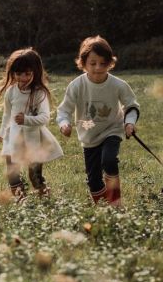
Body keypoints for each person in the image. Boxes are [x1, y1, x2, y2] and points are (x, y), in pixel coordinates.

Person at [57, 35, 139, 207]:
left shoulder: (118, 85)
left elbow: (131, 105)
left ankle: (116, 204)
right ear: (83, 63)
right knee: (94, 181)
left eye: (103, 63)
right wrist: (64, 124)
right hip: (89, 137)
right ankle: (105, 208)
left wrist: (129, 123)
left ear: (110, 63)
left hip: (112, 129)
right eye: (92, 63)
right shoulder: (76, 85)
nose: (98, 68)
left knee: (109, 161)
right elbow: (64, 110)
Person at [0, 48, 63, 201]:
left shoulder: (39, 93)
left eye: (27, 74)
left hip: (33, 140)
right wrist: (1, 133)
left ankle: (45, 200)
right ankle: (21, 202)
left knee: (35, 176)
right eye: (18, 74)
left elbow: (44, 118)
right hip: (13, 138)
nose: (22, 78)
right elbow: (7, 116)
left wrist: (27, 120)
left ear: (35, 72)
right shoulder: (11, 91)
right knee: (12, 172)